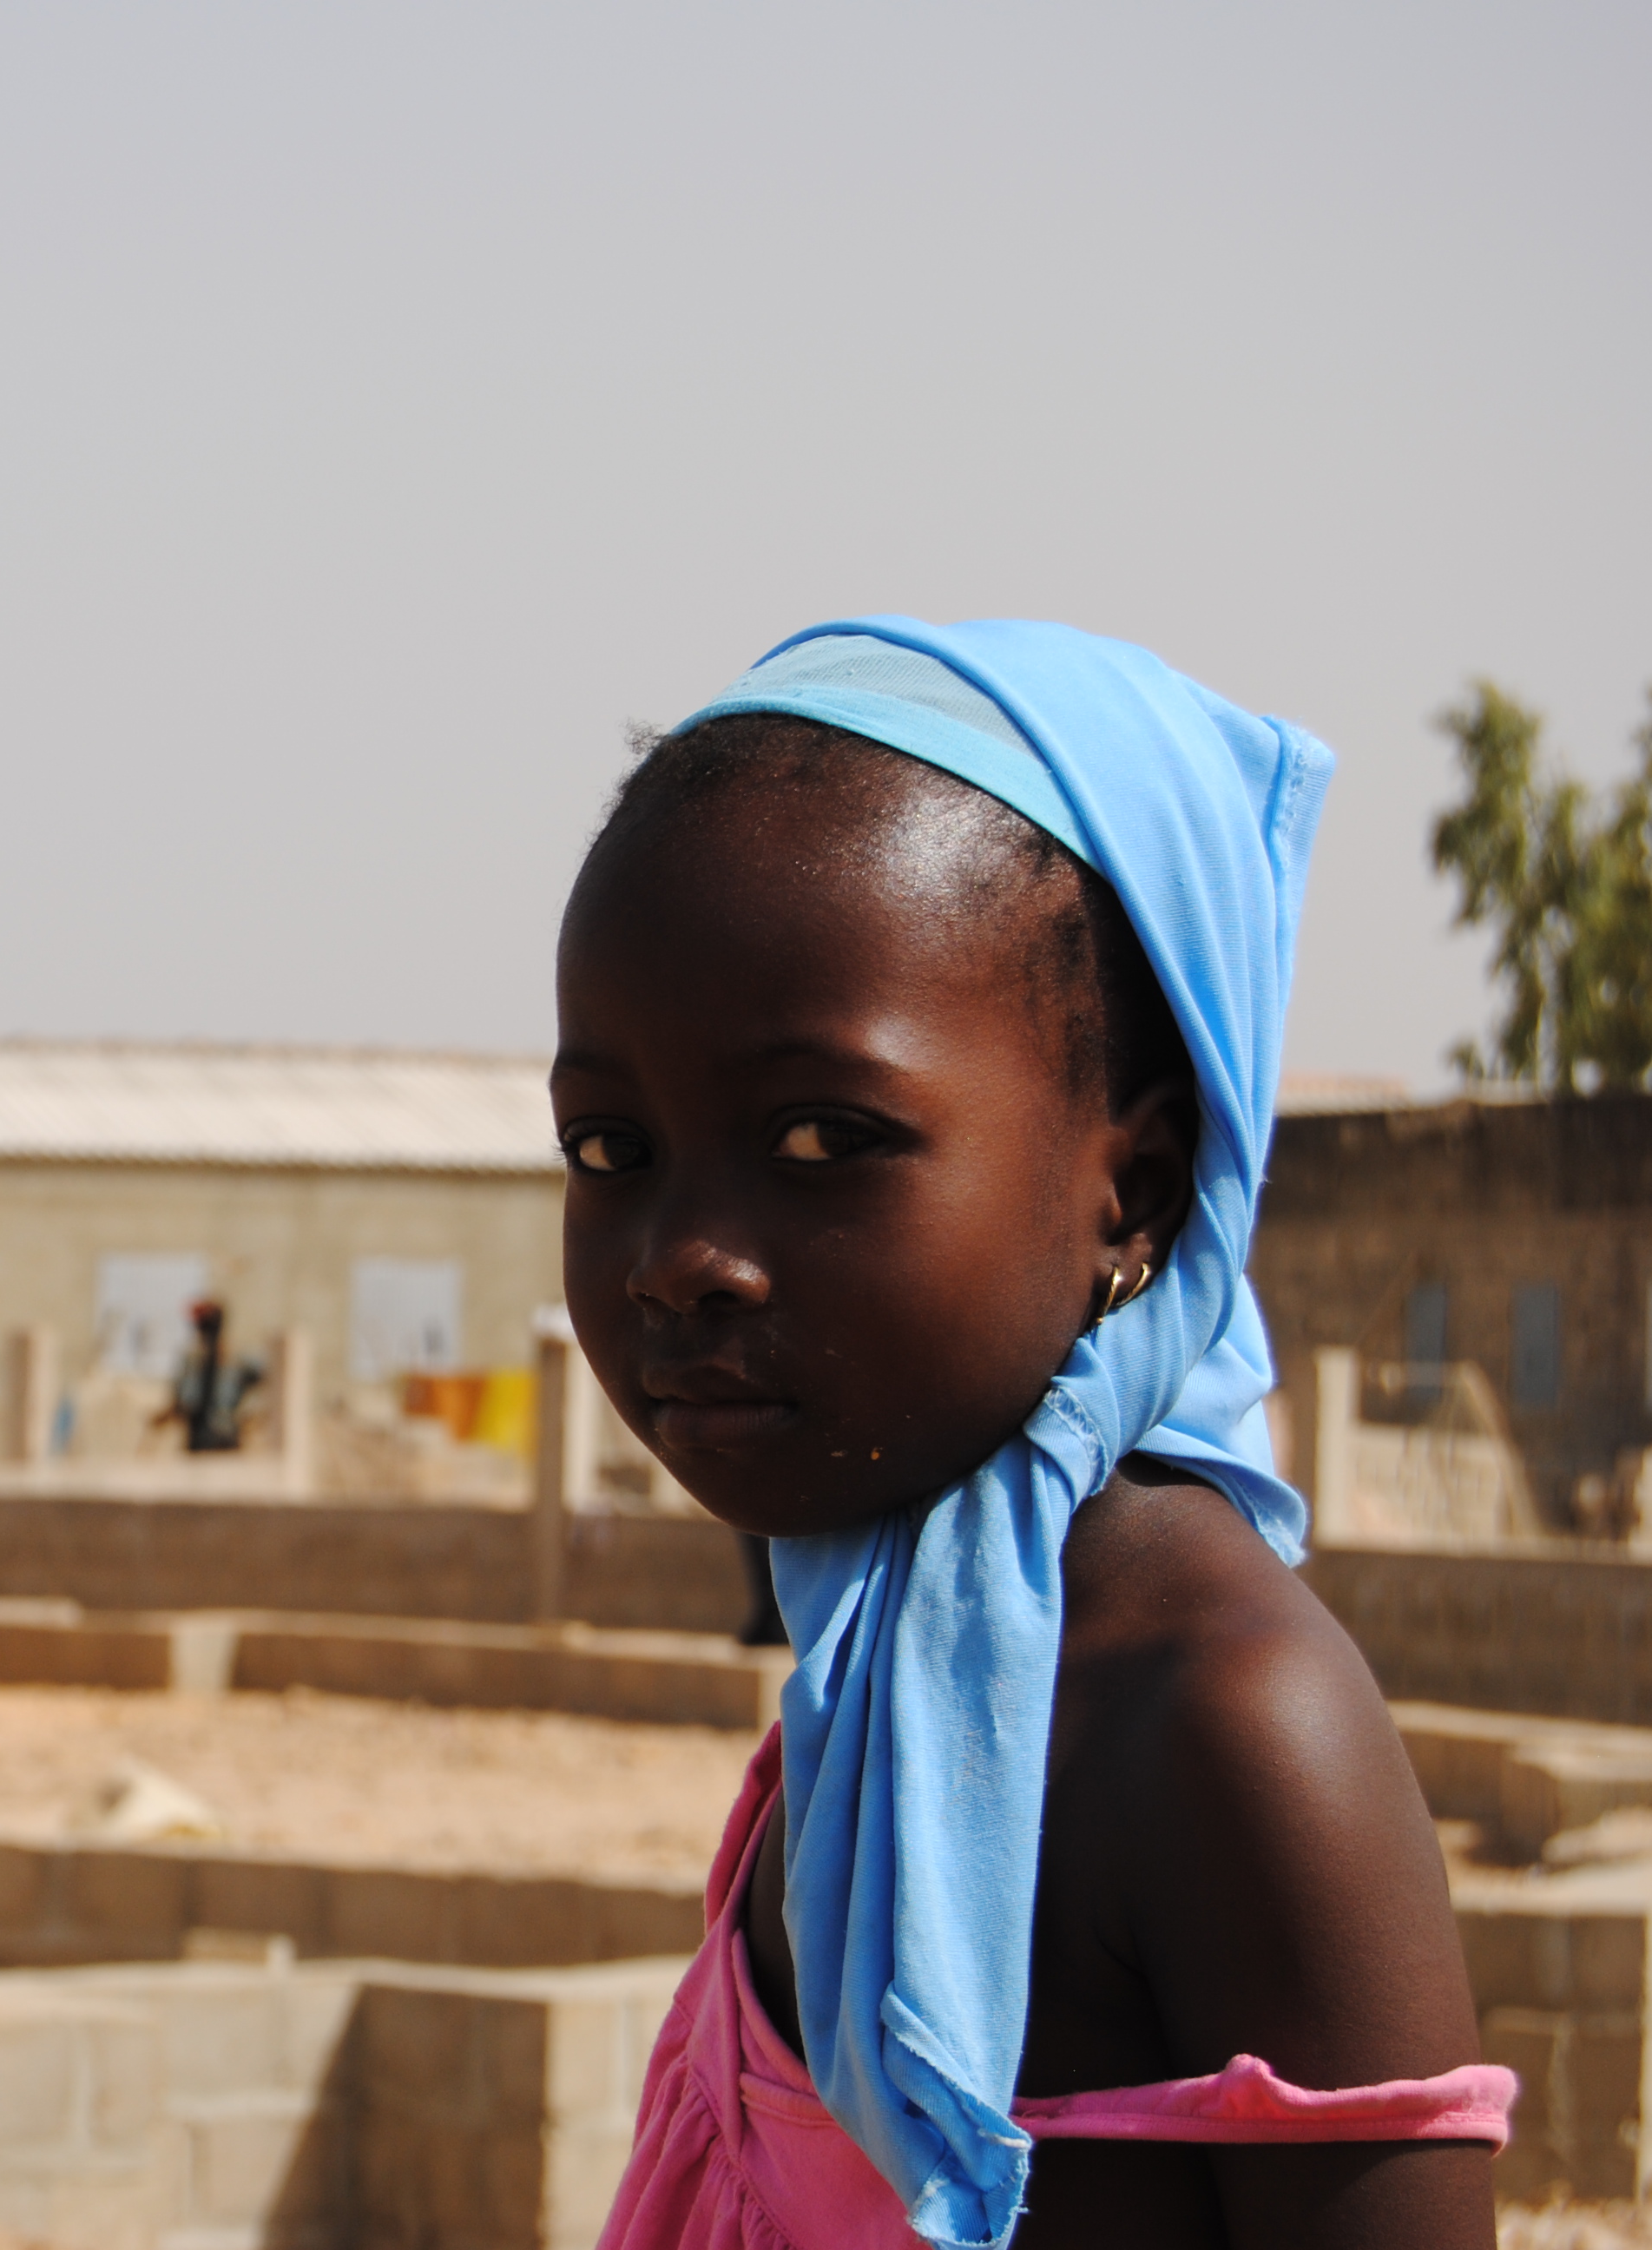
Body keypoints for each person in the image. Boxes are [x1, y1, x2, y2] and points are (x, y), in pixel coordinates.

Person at [564, 621, 1504, 2250]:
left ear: (1128, 1189)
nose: (675, 1255)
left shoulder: (1221, 1722)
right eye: (610, 1143)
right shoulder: (889, 1672)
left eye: (817, 1134)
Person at [144, 1299, 264, 1455]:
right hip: (198, 1442)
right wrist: (162, 1418)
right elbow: (182, 1402)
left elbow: (269, 1378)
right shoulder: (191, 1361)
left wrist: (251, 1413)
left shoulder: (238, 1359)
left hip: (227, 1442)